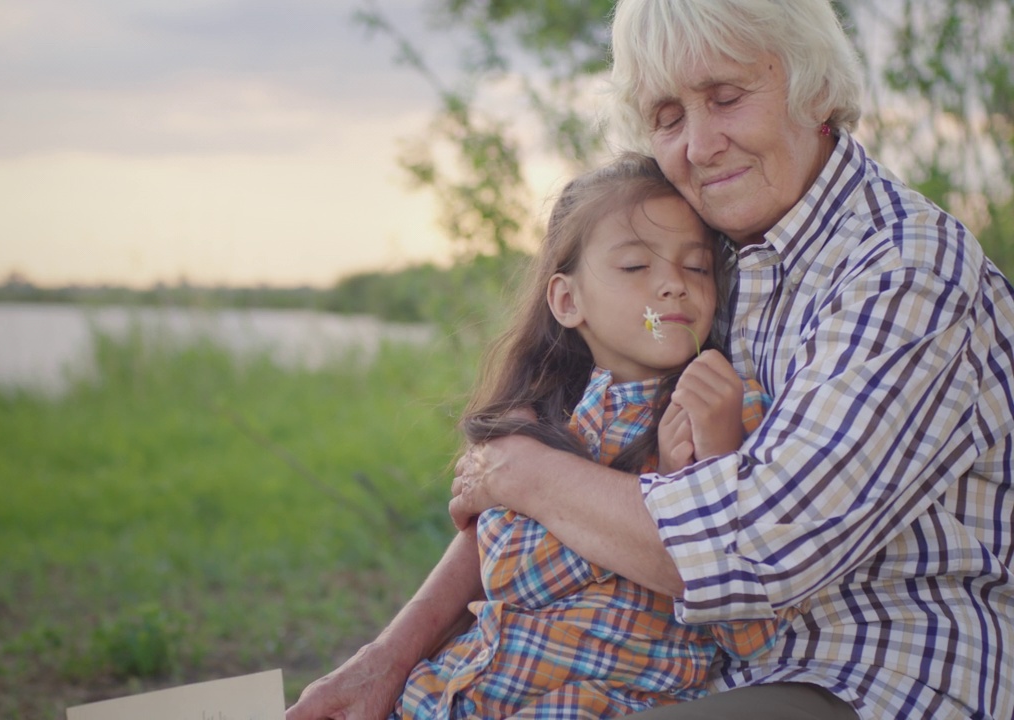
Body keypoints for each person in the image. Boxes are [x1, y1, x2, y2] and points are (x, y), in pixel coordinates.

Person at [288, 0, 1014, 718]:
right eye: (668, 118)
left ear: (812, 87)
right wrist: (387, 658)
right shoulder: (701, 255)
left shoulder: (904, 267)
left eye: (726, 97)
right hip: (701, 673)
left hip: (880, 675)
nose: (699, 145)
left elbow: (757, 549)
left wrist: (522, 470)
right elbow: (573, 478)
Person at [392, 153, 795, 719]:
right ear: (567, 300)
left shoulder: (733, 407)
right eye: (635, 267)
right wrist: (646, 506)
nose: (674, 287)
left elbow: (751, 637)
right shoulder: (542, 425)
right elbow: (512, 573)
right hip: (458, 690)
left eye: (697, 268)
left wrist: (706, 467)